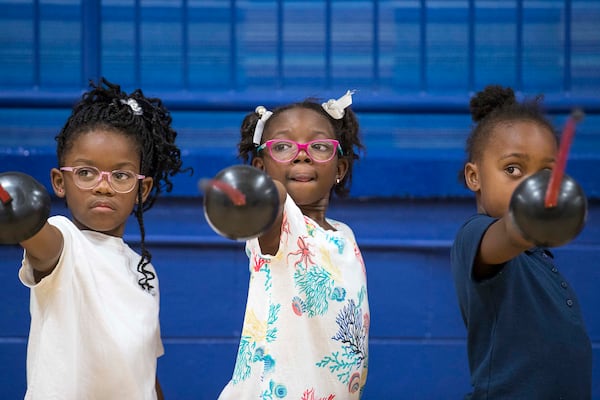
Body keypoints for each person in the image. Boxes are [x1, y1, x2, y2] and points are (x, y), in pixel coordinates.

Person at [15, 78, 188, 399]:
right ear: (59, 181)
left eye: (121, 175)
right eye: (85, 172)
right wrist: (17, 213)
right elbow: (36, 236)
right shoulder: (63, 241)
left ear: (142, 189)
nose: (103, 186)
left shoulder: (143, 271)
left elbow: (143, 372)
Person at [218, 91, 370, 399]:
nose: (302, 155)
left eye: (319, 146)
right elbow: (271, 202)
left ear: (339, 169)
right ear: (260, 168)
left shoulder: (344, 235)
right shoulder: (281, 225)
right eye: (283, 147)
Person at [451, 84, 592, 398]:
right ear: (474, 177)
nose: (533, 185)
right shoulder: (477, 234)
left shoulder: (538, 255)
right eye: (513, 169)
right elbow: (509, 234)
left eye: (545, 173)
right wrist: (527, 221)